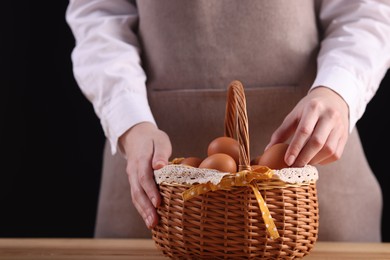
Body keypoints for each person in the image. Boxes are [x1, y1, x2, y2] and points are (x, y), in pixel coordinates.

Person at [65, 0, 390, 241]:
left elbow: (363, 10)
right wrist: (130, 121)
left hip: (312, 174)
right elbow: (99, 17)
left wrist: (338, 90)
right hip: (153, 174)